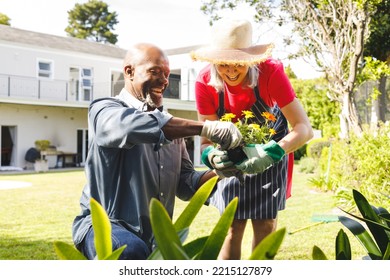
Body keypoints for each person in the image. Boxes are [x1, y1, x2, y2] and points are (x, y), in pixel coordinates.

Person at [72, 42, 243, 260]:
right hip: (105, 225)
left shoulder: (172, 131)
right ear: (130, 72)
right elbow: (129, 125)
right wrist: (206, 127)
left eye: (167, 74)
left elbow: (186, 183)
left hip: (154, 236)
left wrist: (221, 171)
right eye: (155, 71)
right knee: (130, 250)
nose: (164, 81)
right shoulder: (104, 109)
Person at [191, 18, 313, 259]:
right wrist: (212, 156)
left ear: (250, 59)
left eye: (238, 63)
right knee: (231, 226)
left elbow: (303, 129)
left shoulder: (271, 72)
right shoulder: (204, 82)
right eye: (223, 64)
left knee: (266, 224)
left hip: (272, 148)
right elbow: (206, 141)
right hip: (230, 155)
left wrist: (273, 153)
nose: (230, 71)